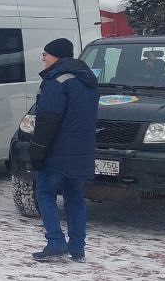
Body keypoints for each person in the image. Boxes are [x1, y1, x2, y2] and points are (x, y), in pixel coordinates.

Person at [30, 38, 99, 263]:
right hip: (83, 149)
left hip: (57, 150)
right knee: (75, 197)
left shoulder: (56, 81)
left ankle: (55, 241)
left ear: (57, 57)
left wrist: (37, 152)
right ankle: (77, 247)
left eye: (45, 54)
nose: (42, 58)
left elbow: (47, 120)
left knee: (44, 193)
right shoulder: (87, 79)